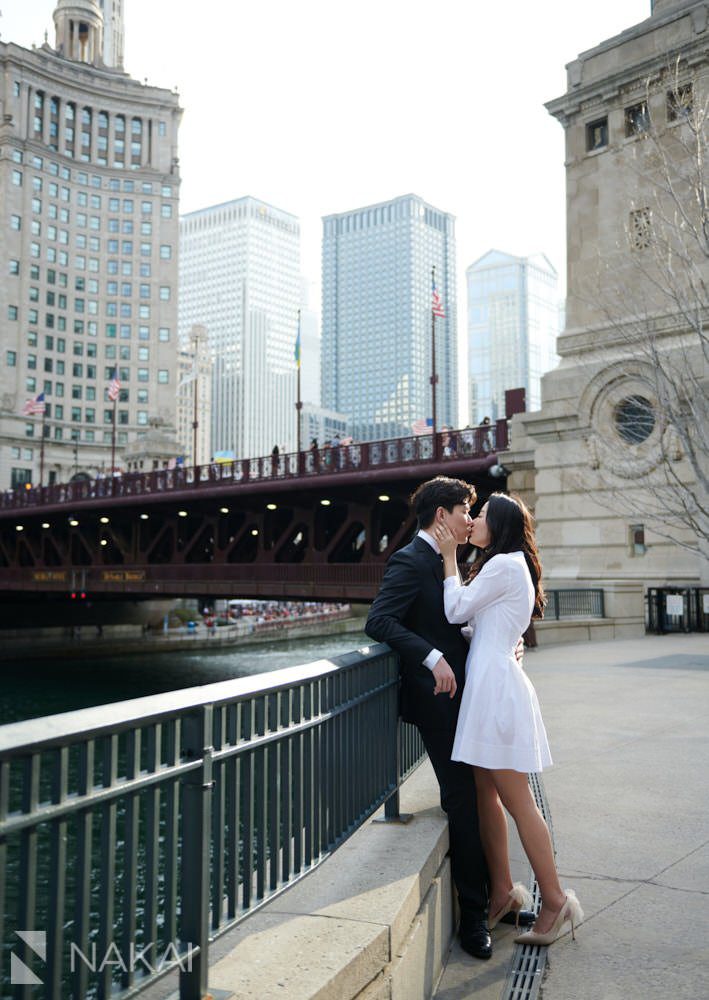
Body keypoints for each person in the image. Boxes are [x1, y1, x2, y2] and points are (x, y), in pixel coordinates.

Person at [366, 476, 518, 961]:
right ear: (441, 517)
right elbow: (380, 620)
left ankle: (499, 896)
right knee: (464, 801)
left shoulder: (446, 559)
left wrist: (489, 639)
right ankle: (474, 918)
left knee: (482, 797)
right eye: (464, 511)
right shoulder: (410, 561)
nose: (470, 520)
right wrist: (430, 656)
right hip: (438, 702)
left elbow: (456, 618)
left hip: (468, 699)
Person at [433, 493, 583, 946]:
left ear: (498, 524)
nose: (473, 521)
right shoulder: (509, 565)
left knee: (517, 801)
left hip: (496, 692)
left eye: (480, 516)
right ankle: (502, 891)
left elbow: (456, 609)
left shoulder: (502, 564)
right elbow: (479, 628)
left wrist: (448, 559)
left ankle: (554, 901)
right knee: (486, 792)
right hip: (492, 683)